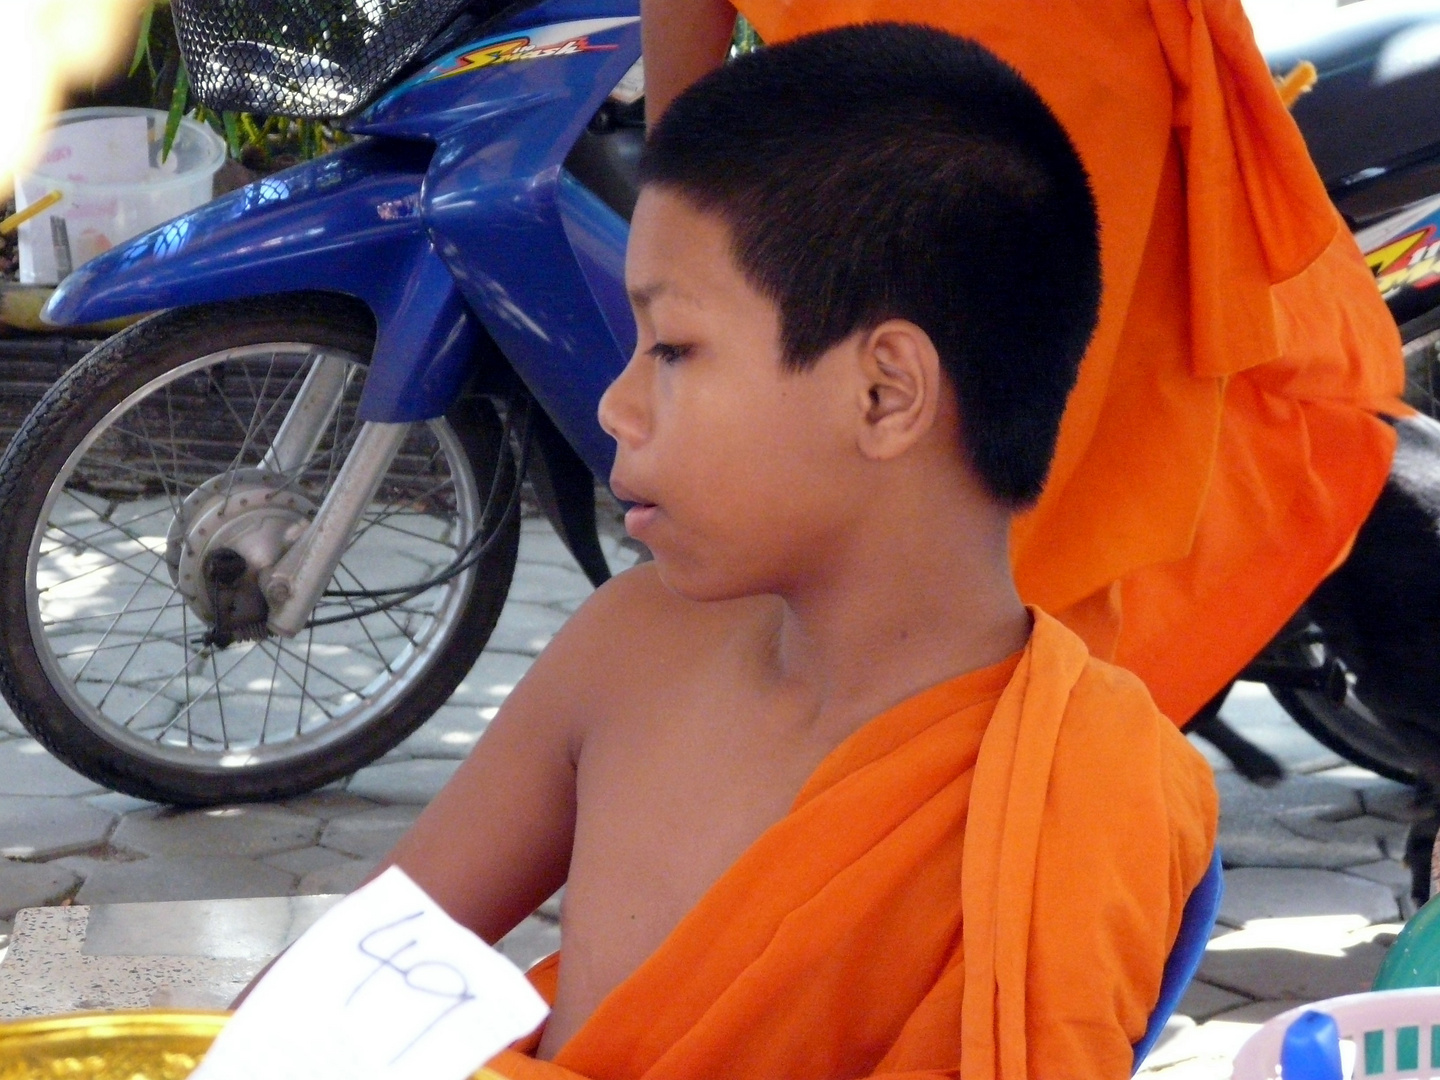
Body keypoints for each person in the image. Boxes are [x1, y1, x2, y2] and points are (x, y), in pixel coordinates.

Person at [378, 25, 1216, 1080]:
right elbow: (335, 1000)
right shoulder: (627, 650)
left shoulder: (1079, 804)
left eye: (673, 348)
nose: (616, 403)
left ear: (884, 393)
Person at [640, 0, 1406, 726]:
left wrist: (677, 192)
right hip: (970, 93)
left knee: (1031, 509)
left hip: (1022, 90)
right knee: (1014, 512)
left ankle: (995, 783)